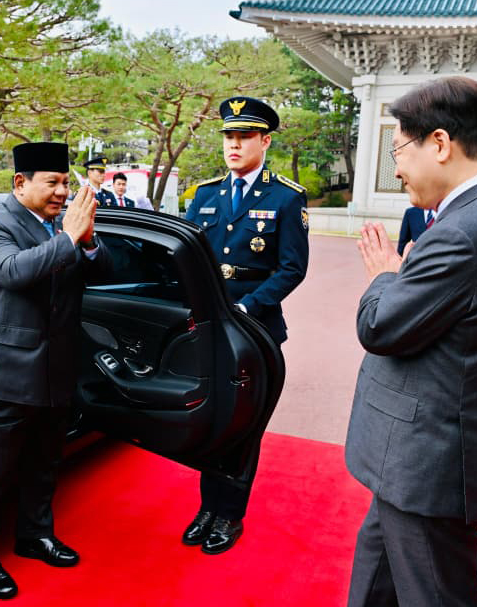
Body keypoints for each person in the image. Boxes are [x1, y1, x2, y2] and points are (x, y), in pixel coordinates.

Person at [346, 76, 477, 607]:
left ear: (441, 144)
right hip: (412, 458)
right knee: (376, 584)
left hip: (428, 461)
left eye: (399, 150)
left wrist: (385, 276)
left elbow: (379, 327)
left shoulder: (462, 231)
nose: (398, 167)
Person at [0, 142, 112, 600]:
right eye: (53, 182)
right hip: (2, 372)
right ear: (20, 183)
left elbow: (103, 271)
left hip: (56, 367)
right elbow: (13, 272)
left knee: (45, 463)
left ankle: (35, 535)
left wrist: (86, 241)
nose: (63, 191)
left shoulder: (62, 227)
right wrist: (68, 237)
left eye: (66, 183)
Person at [182, 96, 309, 554]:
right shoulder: (205, 194)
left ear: (265, 141)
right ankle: (206, 509)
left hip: (253, 330)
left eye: (244, 137)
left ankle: (229, 515)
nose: (233, 145)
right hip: (209, 329)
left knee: (243, 425)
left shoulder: (286, 197)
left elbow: (293, 268)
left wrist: (249, 307)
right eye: (229, 137)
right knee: (209, 421)